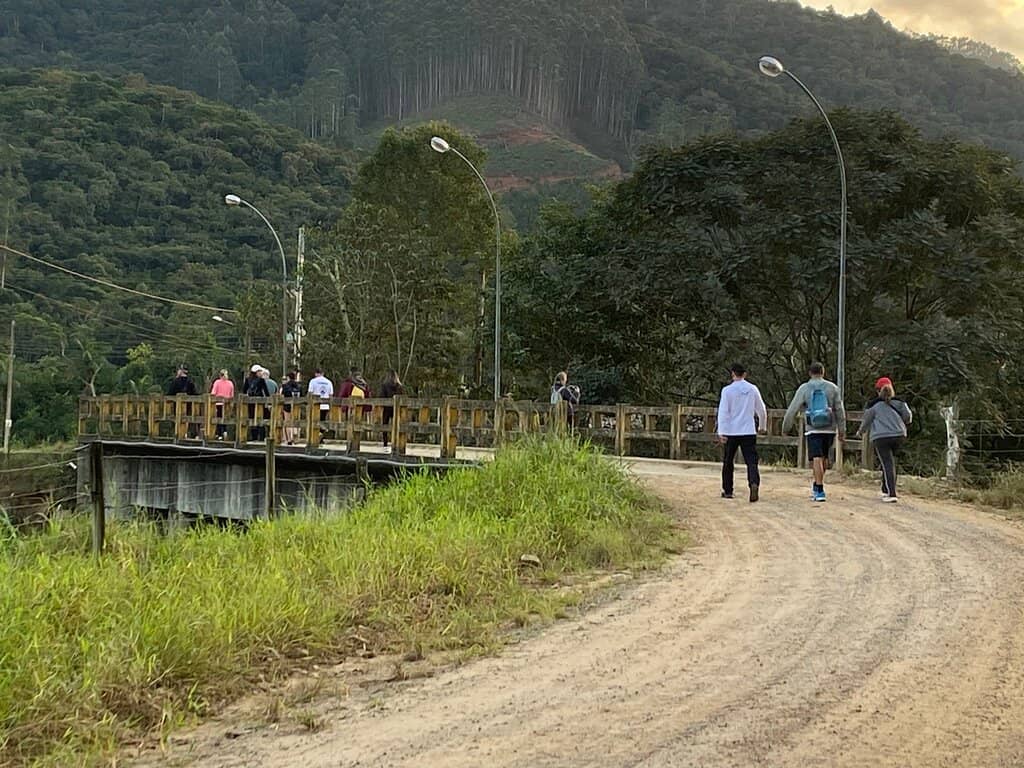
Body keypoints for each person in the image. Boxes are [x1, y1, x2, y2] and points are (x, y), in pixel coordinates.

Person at [782, 362, 846, 502]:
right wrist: (842, 430)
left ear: (810, 373)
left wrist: (785, 427)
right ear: (823, 372)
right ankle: (817, 486)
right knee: (823, 458)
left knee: (816, 458)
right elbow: (840, 410)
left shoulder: (805, 388)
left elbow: (793, 409)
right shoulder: (833, 388)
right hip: (829, 428)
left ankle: (819, 488)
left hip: (813, 429)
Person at [716, 362, 768, 502]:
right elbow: (761, 410)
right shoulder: (752, 389)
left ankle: (728, 490)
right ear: (744, 374)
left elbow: (723, 412)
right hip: (748, 430)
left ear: (732, 374)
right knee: (751, 460)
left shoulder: (727, 391)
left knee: (728, 461)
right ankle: (753, 483)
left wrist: (721, 431)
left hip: (731, 431)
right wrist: (762, 426)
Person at [856, 377, 913, 503]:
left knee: (887, 463)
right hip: (899, 435)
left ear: (878, 391)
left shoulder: (873, 405)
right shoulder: (900, 402)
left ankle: (891, 493)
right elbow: (908, 417)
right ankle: (886, 489)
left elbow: (866, 421)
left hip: (881, 437)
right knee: (892, 463)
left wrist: (860, 432)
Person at [167, 366, 198, 437]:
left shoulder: (175, 381)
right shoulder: (190, 381)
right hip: (188, 404)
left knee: (177, 417)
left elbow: (170, 393)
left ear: (181, 371)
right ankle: (185, 433)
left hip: (177, 404)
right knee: (186, 418)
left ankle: (177, 433)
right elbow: (194, 393)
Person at [380, 369, 405, 448]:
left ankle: (385, 443)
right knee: (397, 425)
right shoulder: (400, 386)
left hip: (387, 409)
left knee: (385, 424)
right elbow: (403, 398)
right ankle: (397, 442)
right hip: (397, 409)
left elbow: (381, 397)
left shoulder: (385, 385)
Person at [244, 364, 270, 441]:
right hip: (260, 401)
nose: (261, 373)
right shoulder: (261, 380)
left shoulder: (247, 379)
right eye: (260, 371)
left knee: (252, 417)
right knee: (261, 417)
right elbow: (266, 391)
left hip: (250, 401)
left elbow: (244, 390)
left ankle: (253, 436)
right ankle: (261, 437)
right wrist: (268, 401)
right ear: (256, 372)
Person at [308, 368, 334, 436]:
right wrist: (330, 406)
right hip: (325, 406)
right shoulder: (329, 382)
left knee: (315, 421)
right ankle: (320, 435)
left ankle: (316, 437)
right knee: (322, 420)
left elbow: (310, 393)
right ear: (323, 373)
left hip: (315, 405)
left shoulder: (313, 381)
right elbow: (331, 395)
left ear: (316, 373)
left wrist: (308, 403)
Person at [210, 369, 234, 441]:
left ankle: (219, 434)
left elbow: (213, 393)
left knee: (218, 419)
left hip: (218, 404)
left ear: (220, 375)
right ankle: (224, 432)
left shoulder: (217, 382)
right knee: (225, 418)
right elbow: (232, 395)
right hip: (227, 404)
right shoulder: (230, 383)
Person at [281, 370, 303, 446]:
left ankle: (289, 439)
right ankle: (296, 438)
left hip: (287, 406)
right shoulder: (299, 386)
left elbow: (282, 396)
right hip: (297, 405)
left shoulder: (285, 386)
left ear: (288, 377)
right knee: (296, 421)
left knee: (287, 422)